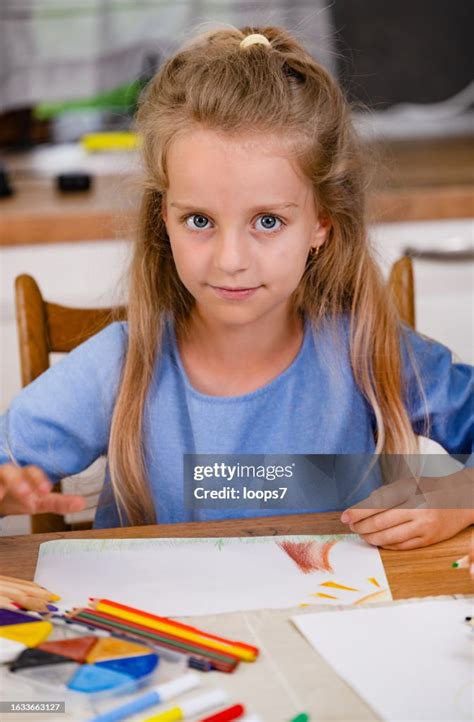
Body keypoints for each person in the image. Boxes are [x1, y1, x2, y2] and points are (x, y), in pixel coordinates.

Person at [0, 27, 472, 552]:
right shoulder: (121, 364)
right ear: (164, 218)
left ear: (322, 222)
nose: (230, 260)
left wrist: (458, 494)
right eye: (199, 219)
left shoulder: (372, 350)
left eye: (267, 221)